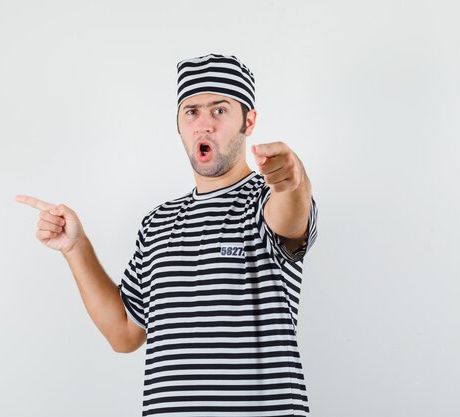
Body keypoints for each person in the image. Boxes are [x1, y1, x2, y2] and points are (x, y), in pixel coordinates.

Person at [16, 53, 318, 417]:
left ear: (248, 121)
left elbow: (290, 216)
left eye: (219, 111)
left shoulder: (264, 201)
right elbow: (125, 334)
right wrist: (76, 247)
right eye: (191, 112)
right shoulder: (157, 223)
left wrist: (294, 179)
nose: (203, 124)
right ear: (178, 124)